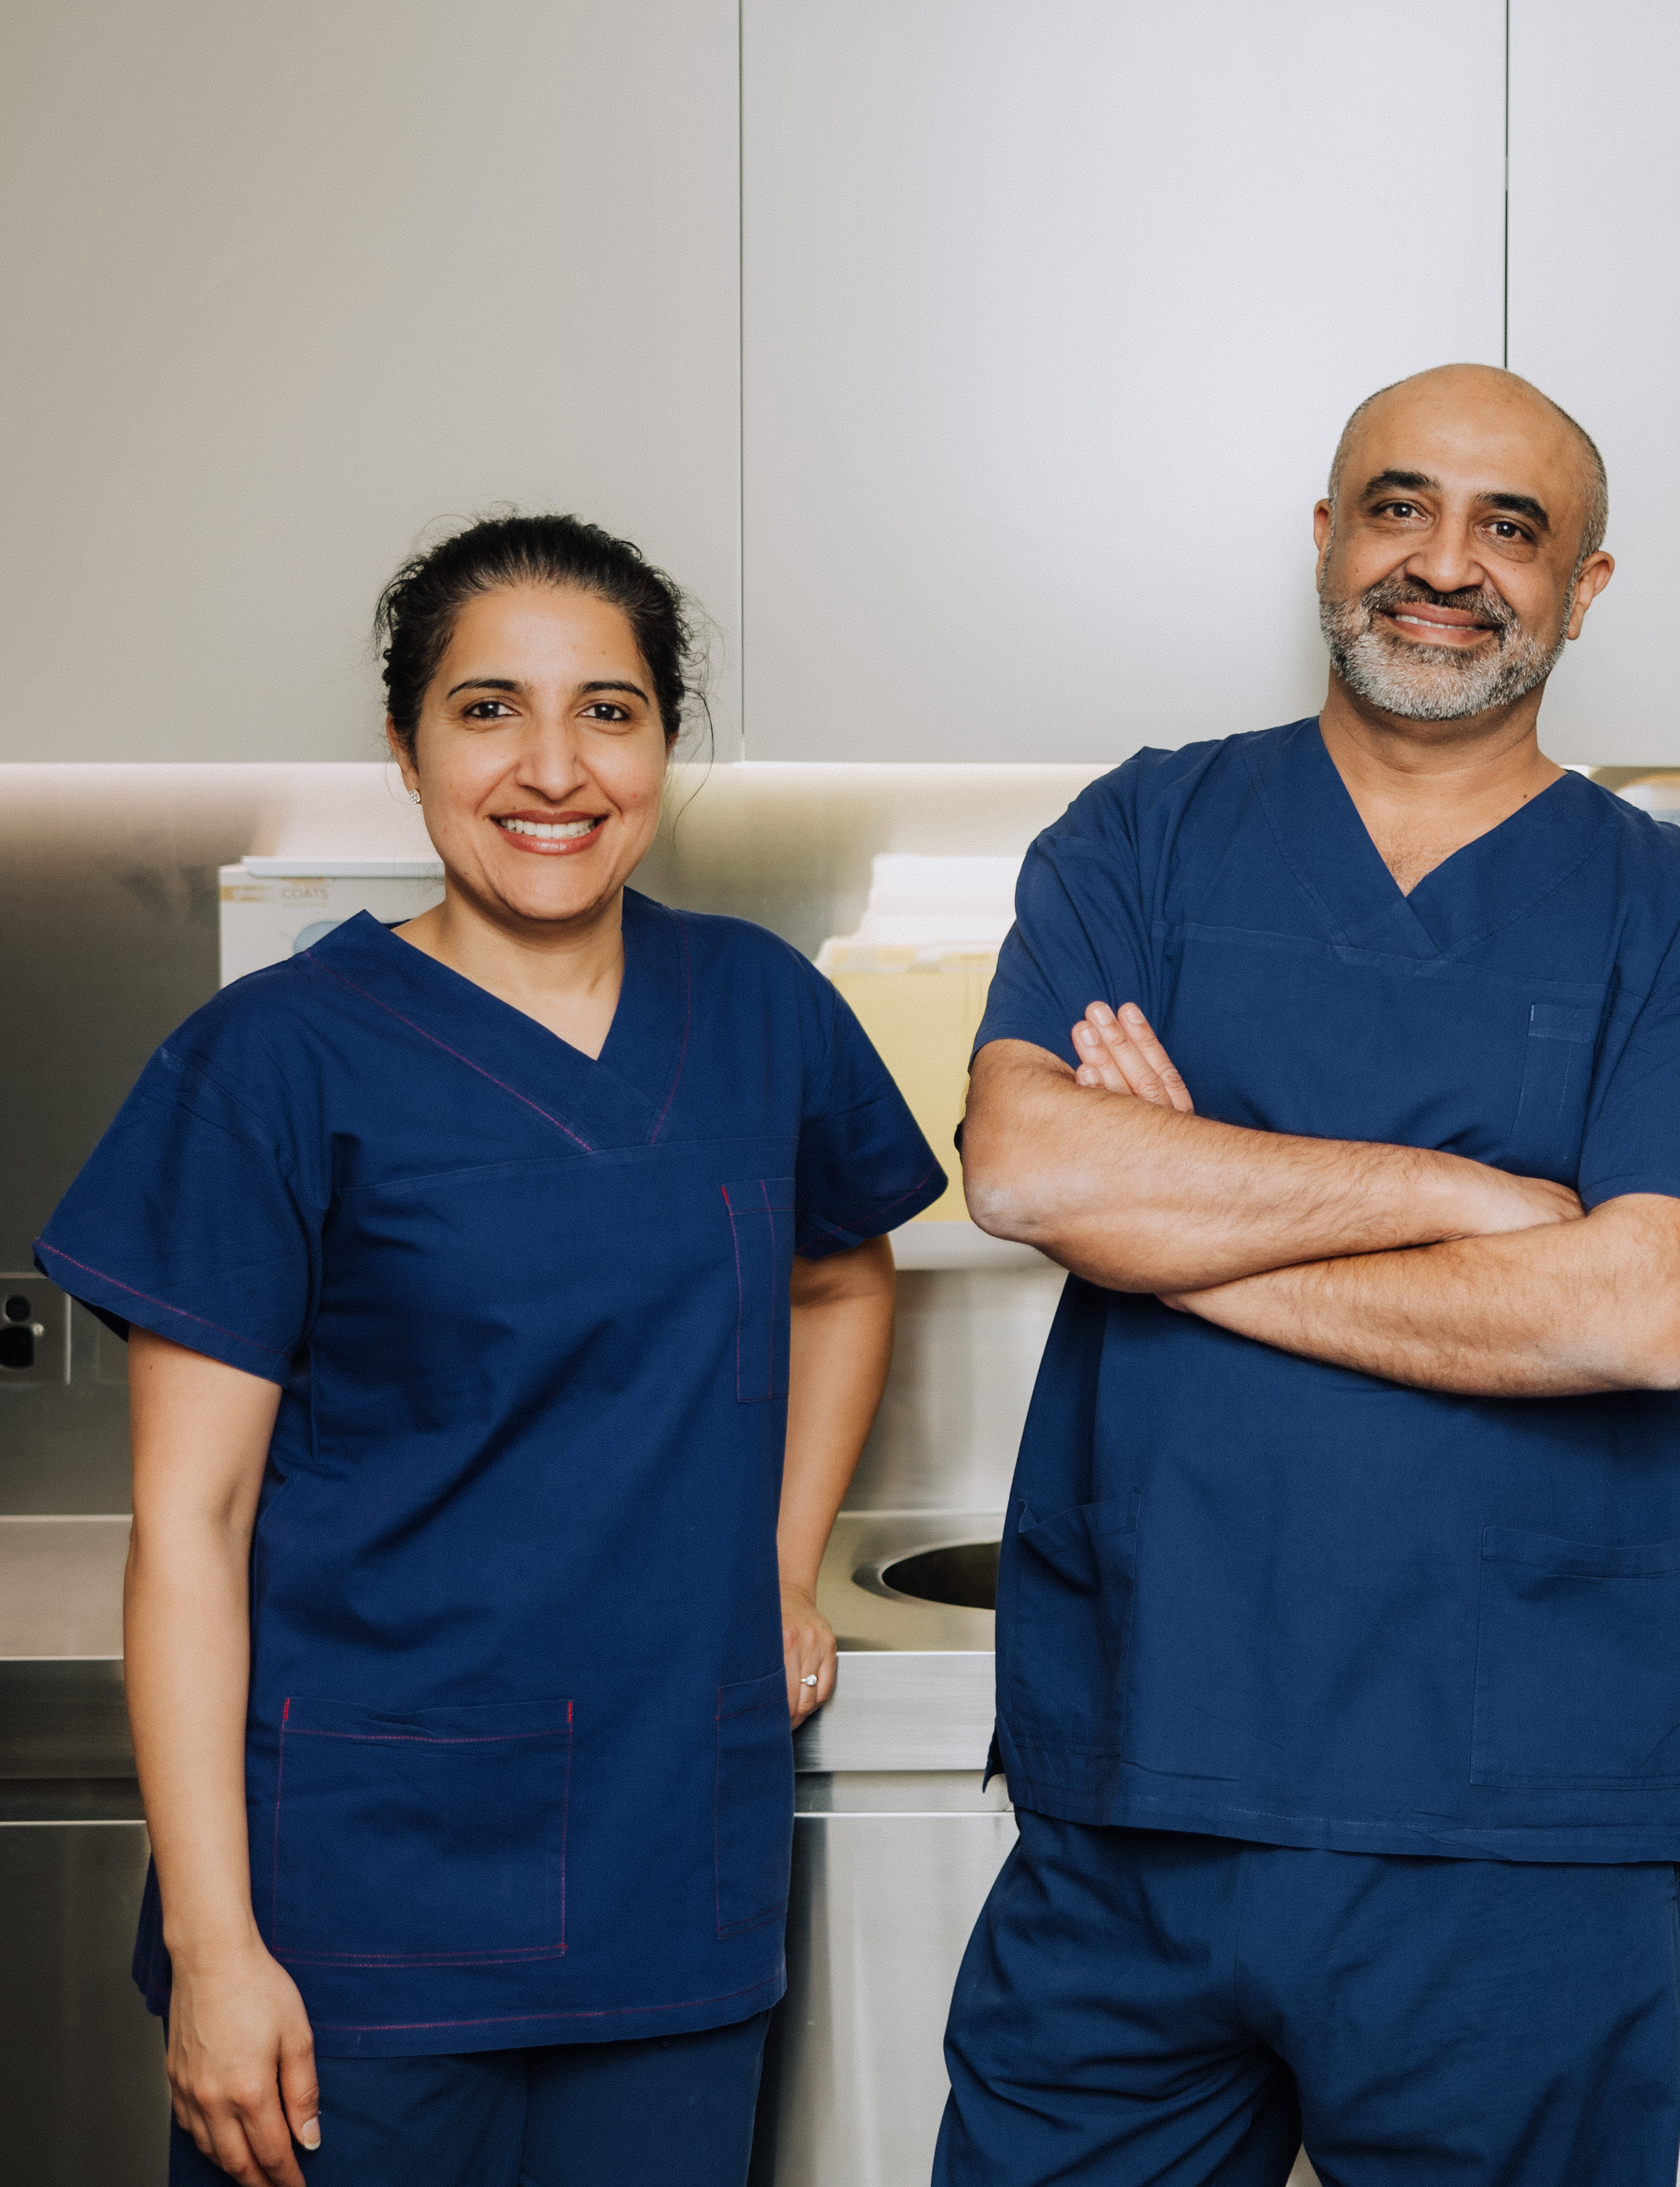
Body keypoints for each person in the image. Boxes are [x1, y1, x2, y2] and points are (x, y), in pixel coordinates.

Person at [936, 364, 1680, 2186]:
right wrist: (1471, 1199)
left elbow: (1636, 1306)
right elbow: (1025, 1162)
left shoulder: (1662, 913)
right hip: (1137, 1792)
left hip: (1515, 1828)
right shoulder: (1148, 831)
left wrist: (1178, 1236)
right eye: (1398, 505)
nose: (1446, 561)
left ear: (1583, 590)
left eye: (1513, 527)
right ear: (1326, 539)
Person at [36, 514, 945, 2187]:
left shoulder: (761, 1010)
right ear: (403, 745)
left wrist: (786, 1563)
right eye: (487, 709)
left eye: (608, 709)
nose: (553, 766)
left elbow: (843, 1277)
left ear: (666, 743)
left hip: (672, 1868)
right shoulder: (275, 1061)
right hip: (352, 1910)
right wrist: (223, 1951)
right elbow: (192, 1527)